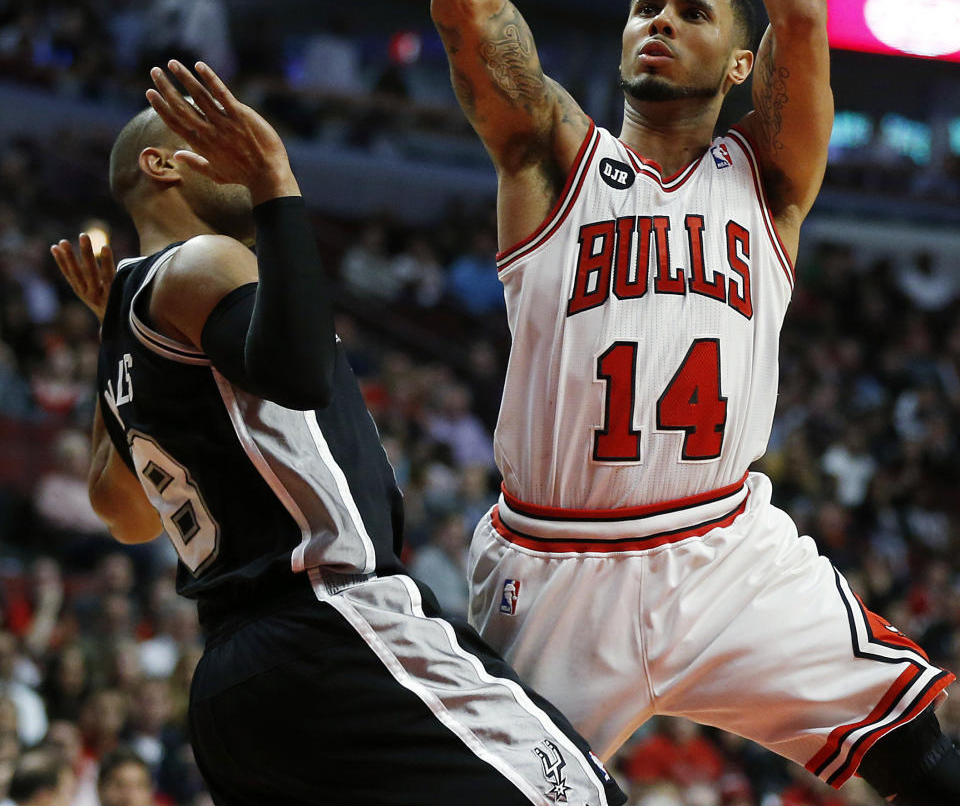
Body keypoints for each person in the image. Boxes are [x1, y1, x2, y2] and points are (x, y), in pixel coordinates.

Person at [429, 0, 959, 804]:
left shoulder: (764, 181)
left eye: (691, 11)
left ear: (737, 67)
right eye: (642, 7)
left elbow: (804, 12)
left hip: (727, 549)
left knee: (925, 756)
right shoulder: (551, 158)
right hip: (555, 565)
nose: (658, 19)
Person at [51, 60, 623, 806]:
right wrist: (275, 181)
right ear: (161, 165)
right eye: (210, 136)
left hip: (232, 686)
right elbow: (297, 373)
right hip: (330, 618)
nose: (244, 140)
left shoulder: (136, 326)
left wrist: (109, 344)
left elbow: (123, 514)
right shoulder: (206, 260)